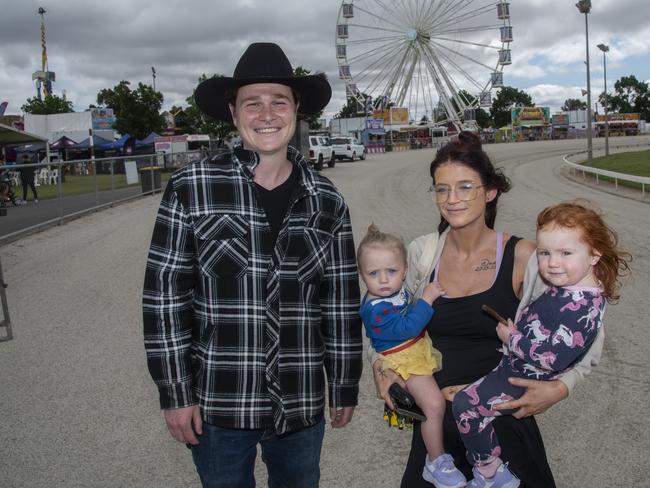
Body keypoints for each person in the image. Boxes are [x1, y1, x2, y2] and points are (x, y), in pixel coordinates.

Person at [142, 42, 362, 488]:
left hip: (300, 402)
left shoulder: (327, 199)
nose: (267, 114)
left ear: (297, 109)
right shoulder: (192, 187)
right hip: (219, 402)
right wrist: (175, 393)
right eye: (252, 103)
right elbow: (164, 299)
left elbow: (338, 302)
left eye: (279, 101)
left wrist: (344, 384)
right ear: (232, 111)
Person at [370, 132, 604, 487]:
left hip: (501, 431)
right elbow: (381, 315)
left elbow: (588, 328)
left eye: (465, 187)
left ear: (490, 192)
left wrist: (562, 386)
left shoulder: (524, 257)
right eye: (442, 189)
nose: (452, 199)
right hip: (438, 442)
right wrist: (381, 366)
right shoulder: (422, 255)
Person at [452, 200, 630, 487]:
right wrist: (518, 329)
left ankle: (489, 472)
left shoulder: (583, 305)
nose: (552, 262)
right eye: (545, 252)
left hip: (522, 378)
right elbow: (543, 323)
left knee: (464, 406)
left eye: (565, 253)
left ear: (594, 255)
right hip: (515, 365)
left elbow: (552, 358)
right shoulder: (573, 285)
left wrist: (513, 339)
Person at [357, 224, 466, 488]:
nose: (383, 280)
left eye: (391, 271)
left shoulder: (394, 292)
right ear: (361, 275)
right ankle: (435, 460)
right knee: (434, 405)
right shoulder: (375, 309)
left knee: (435, 405)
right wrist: (426, 300)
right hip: (402, 359)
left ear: (405, 271)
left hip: (413, 350)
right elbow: (406, 328)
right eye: (373, 273)